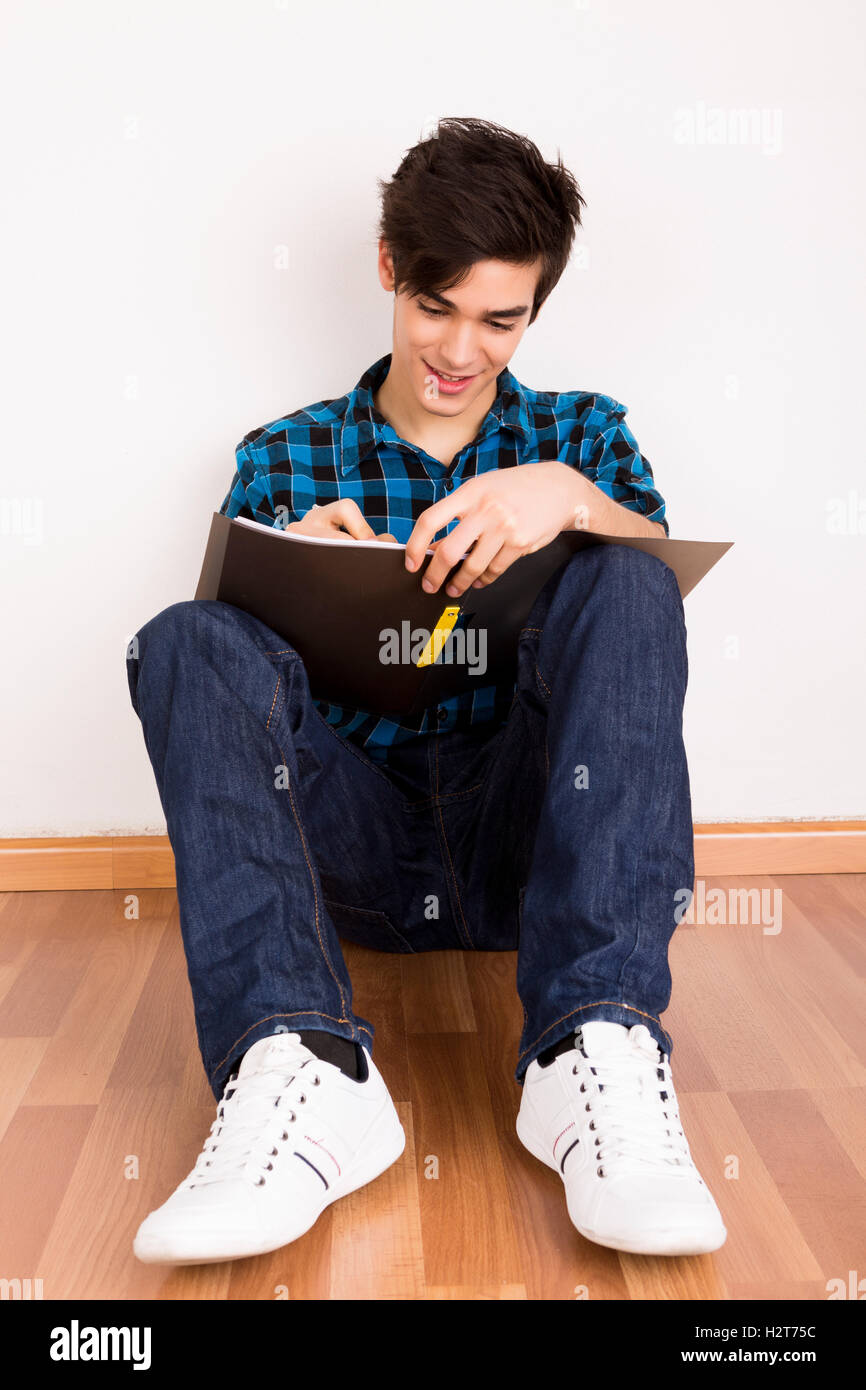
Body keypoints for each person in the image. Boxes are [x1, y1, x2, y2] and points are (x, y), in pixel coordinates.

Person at [126, 117, 726, 1266]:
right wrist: (281, 570)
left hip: (526, 836)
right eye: (435, 306)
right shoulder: (285, 452)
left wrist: (568, 499)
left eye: (499, 320)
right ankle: (297, 1058)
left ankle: (591, 1036)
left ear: (536, 307)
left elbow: (650, 607)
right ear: (389, 268)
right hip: (352, 844)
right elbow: (232, 694)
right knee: (184, 635)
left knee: (632, 581)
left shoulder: (578, 434)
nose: (459, 349)